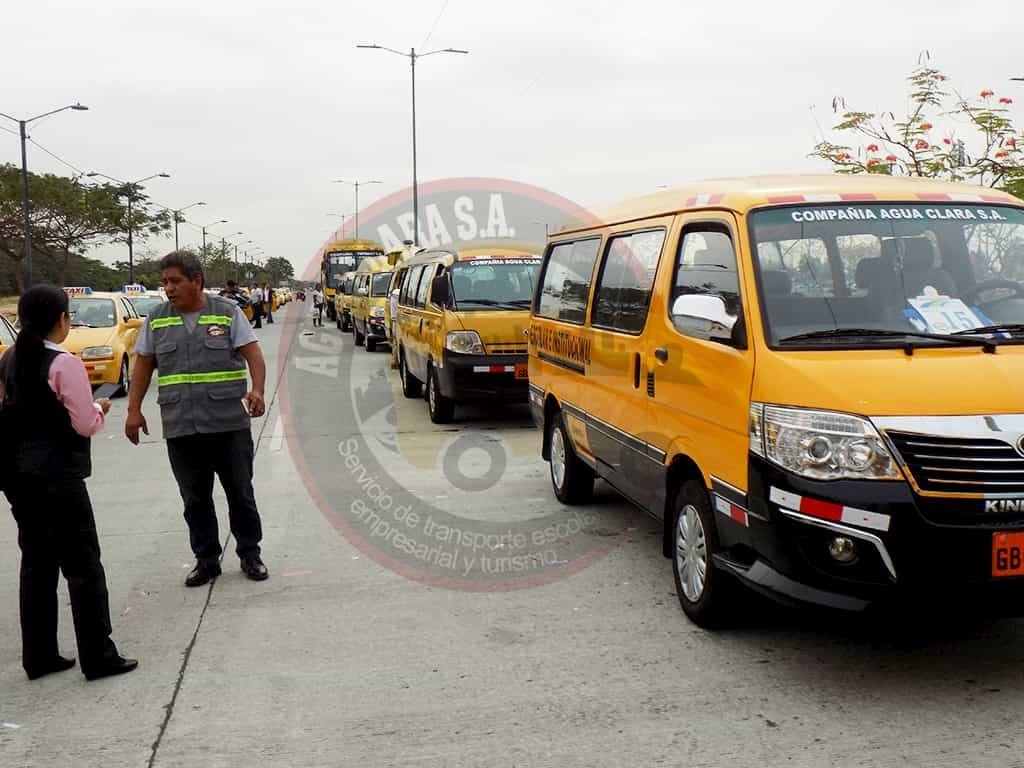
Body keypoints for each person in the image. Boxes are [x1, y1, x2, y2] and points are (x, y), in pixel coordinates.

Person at [1, 285, 137, 681]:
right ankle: (98, 656)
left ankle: (40, 656)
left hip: (18, 476)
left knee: (36, 565)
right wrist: (99, 407)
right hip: (58, 476)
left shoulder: (8, 359)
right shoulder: (64, 363)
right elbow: (84, 424)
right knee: (83, 567)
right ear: (61, 319)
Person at [125, 251, 270, 587]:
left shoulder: (227, 312)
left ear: (196, 281)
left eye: (175, 281)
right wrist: (133, 410)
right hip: (181, 425)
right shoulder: (157, 319)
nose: (168, 288)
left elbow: (253, 354)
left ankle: (250, 554)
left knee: (241, 494)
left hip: (228, 425)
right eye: (165, 282)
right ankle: (206, 561)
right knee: (194, 500)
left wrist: (258, 390)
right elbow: (143, 366)